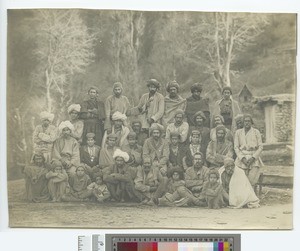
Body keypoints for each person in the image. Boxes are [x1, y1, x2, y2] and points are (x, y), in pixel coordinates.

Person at [234, 114, 263, 186]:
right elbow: (236, 147)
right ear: (242, 123)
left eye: (248, 121)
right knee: (240, 180)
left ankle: (251, 196)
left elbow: (260, 147)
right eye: (245, 121)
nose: (247, 123)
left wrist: (253, 158)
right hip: (241, 159)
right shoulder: (238, 132)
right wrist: (242, 158)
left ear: (251, 122)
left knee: (251, 181)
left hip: (254, 158)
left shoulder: (256, 132)